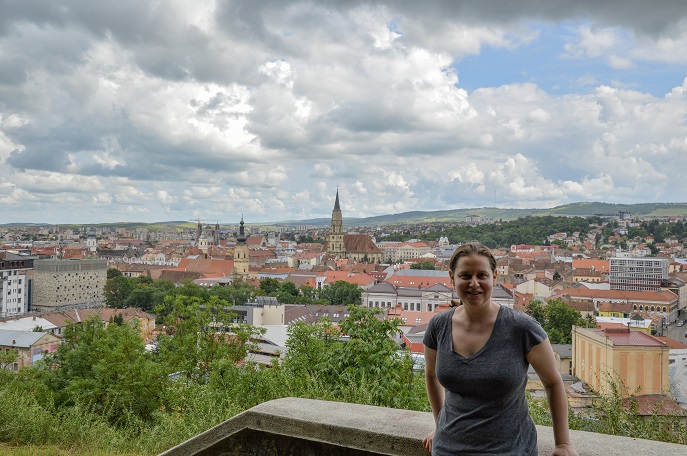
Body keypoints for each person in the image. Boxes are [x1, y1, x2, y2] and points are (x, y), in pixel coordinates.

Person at [422, 242, 578, 456]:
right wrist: (440, 425)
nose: (474, 284)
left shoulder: (521, 327)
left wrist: (563, 444)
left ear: (494, 277)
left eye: (482, 276)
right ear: (452, 278)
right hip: (448, 449)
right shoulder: (438, 326)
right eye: (465, 276)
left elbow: (553, 382)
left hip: (510, 450)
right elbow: (431, 377)